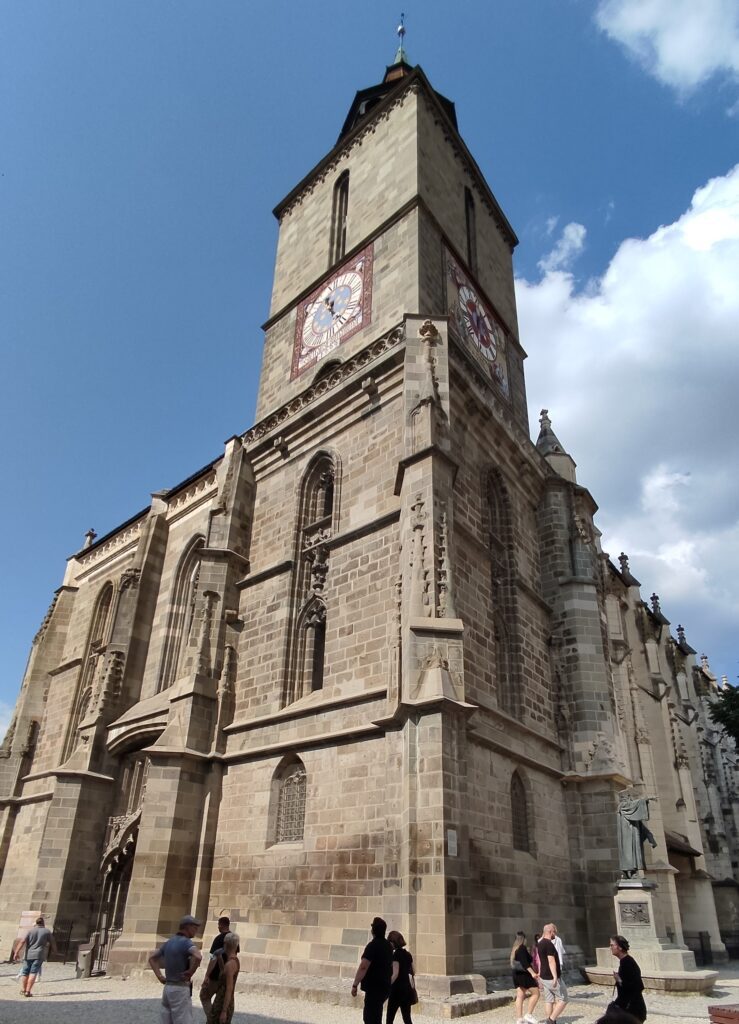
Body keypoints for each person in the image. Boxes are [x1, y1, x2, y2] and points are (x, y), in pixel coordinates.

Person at [149, 914, 203, 1024]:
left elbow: (152, 958)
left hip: (168, 987)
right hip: (180, 988)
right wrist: (191, 972)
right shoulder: (186, 942)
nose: (196, 930)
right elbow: (198, 956)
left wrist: (159, 976)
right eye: (194, 927)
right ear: (187, 927)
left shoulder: (169, 942)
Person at [351, 916, 393, 1024]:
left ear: (373, 930)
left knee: (370, 1018)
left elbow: (363, 966)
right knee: (376, 1015)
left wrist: (355, 984)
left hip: (374, 988)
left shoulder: (373, 946)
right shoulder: (388, 946)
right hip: (385, 986)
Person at [609, 935, 646, 1022]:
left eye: (612, 945)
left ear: (620, 948)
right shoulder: (625, 962)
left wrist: (619, 980)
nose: (610, 948)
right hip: (628, 1009)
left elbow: (637, 986)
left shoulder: (628, 963)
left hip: (632, 1010)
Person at [199, 915, 231, 1017]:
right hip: (227, 975)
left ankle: (211, 1018)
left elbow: (213, 958)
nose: (218, 927)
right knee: (220, 1001)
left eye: (218, 925)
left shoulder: (218, 939)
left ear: (222, 925)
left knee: (204, 996)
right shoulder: (233, 938)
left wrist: (207, 975)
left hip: (215, 975)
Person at [537, 923, 568, 1024]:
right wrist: (555, 977)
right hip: (551, 977)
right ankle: (551, 1020)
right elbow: (551, 961)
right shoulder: (549, 944)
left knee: (549, 999)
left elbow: (541, 961)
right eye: (554, 932)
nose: (555, 934)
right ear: (550, 932)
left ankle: (550, 1020)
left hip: (544, 976)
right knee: (564, 998)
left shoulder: (540, 943)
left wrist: (539, 974)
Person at [19, 915, 57, 997]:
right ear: (43, 923)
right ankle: (28, 991)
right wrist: (55, 951)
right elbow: (52, 942)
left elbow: (22, 941)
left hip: (28, 954)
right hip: (39, 954)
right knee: (33, 972)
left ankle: (23, 989)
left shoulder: (30, 931)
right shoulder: (47, 931)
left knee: (25, 972)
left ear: (36, 923)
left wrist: (16, 952)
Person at [206, 931, 239, 1024]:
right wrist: (220, 958)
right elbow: (223, 973)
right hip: (223, 1000)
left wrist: (224, 1011)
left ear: (226, 944)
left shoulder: (230, 964)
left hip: (223, 1001)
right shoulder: (233, 961)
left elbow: (229, 988)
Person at [509, 931, 539, 1024]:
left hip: (516, 975)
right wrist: (533, 973)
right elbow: (525, 963)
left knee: (520, 996)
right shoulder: (522, 948)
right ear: (523, 939)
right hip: (524, 974)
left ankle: (519, 1019)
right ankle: (528, 1015)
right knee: (536, 993)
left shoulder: (514, 949)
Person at [386, 929, 415, 1024]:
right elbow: (412, 971)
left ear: (393, 942)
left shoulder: (396, 955)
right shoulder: (408, 954)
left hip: (396, 991)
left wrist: (387, 984)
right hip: (406, 989)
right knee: (407, 1018)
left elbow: (395, 973)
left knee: (390, 1018)